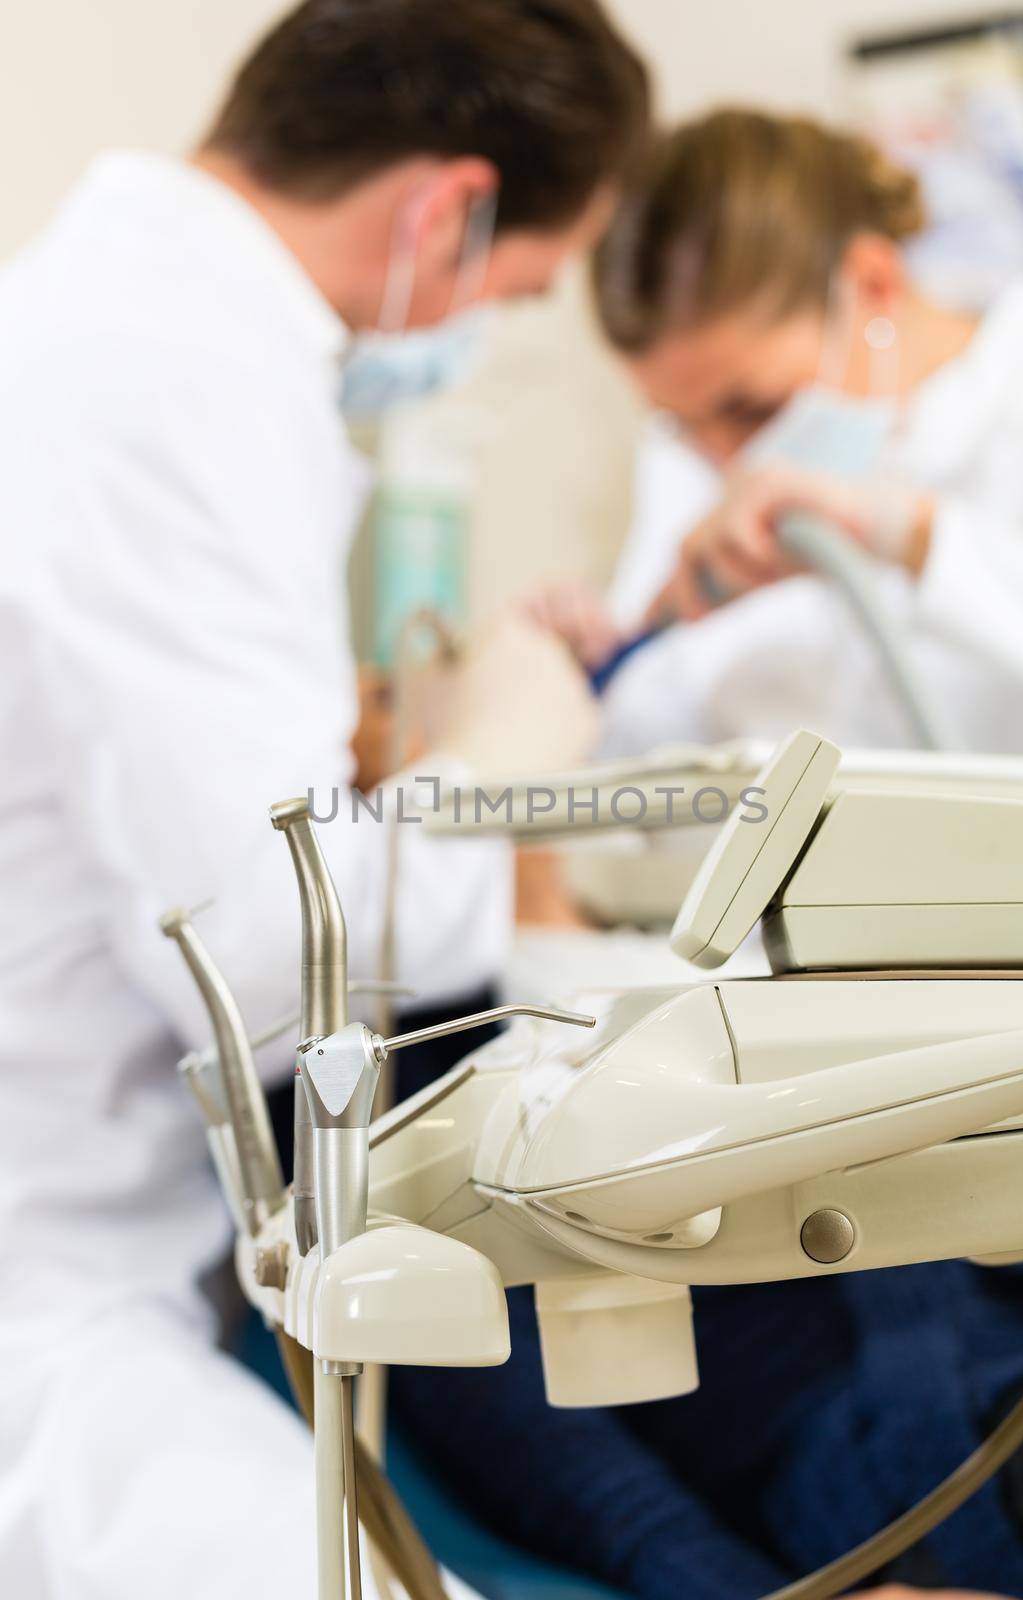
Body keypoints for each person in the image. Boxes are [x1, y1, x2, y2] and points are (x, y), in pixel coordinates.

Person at [0, 4, 649, 1596]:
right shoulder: (169, 377)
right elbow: (264, 950)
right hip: (49, 1286)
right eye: (521, 286)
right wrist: (496, 762)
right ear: (450, 211)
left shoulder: (119, 326)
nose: (485, 327)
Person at [531, 108, 1023, 759]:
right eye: (682, 423)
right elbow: (669, 780)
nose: (728, 461)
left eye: (752, 408)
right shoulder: (683, 466)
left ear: (872, 283)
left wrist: (913, 538)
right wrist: (600, 673)